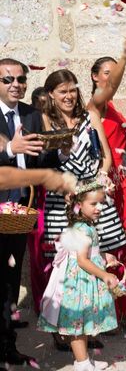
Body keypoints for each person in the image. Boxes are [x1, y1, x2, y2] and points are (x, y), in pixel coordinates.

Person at [41, 70, 126, 349]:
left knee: (98, 259)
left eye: (72, 90)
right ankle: (63, 329)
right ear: (51, 94)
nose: (68, 96)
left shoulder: (89, 117)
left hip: (92, 196)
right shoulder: (44, 121)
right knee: (67, 266)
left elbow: (105, 155)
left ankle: (90, 326)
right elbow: (44, 163)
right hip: (62, 202)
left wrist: (99, 181)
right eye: (62, 91)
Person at [0, 58, 58, 367]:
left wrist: (59, 151)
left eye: (21, 79)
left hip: (20, 211)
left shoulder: (33, 116)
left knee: (10, 281)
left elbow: (40, 161)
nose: (16, 85)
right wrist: (10, 150)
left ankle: (7, 347)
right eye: (8, 79)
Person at [38, 180, 119, 371]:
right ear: (78, 205)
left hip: (84, 279)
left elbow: (89, 253)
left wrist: (105, 256)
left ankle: (84, 361)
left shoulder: (87, 225)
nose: (99, 207)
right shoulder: (82, 228)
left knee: (82, 322)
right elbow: (82, 260)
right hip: (78, 282)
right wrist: (104, 274)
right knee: (76, 323)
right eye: (93, 204)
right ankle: (82, 364)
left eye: (101, 203)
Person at [87, 38, 126, 329]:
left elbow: (125, 141)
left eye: (115, 72)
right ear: (95, 76)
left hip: (121, 183)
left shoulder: (113, 108)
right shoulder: (95, 104)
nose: (111, 77)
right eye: (107, 72)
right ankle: (107, 312)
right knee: (104, 246)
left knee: (123, 247)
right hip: (102, 184)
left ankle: (121, 310)